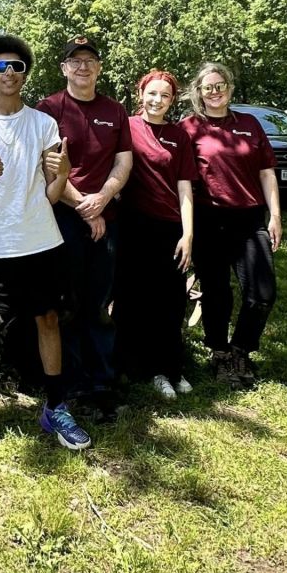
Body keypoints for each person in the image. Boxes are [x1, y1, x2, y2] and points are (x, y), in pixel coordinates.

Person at [0, 34, 91, 457]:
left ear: (25, 75)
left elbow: (51, 195)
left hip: (40, 240)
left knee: (48, 320)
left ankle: (55, 407)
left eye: (17, 67)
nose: (9, 73)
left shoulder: (43, 124)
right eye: (0, 67)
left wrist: (64, 172)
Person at [37, 36, 132, 419]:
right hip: (62, 218)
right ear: (64, 68)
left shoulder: (115, 110)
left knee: (99, 303)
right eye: (74, 61)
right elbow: (48, 166)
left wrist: (103, 199)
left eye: (90, 60)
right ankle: (70, 383)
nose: (82, 67)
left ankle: (102, 382)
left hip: (105, 220)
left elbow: (123, 163)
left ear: (99, 67)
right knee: (68, 304)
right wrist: (84, 207)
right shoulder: (48, 109)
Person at [181, 62, 281, 387]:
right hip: (209, 220)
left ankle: (241, 349)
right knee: (217, 294)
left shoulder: (250, 124)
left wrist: (275, 215)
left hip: (250, 219)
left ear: (230, 88)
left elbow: (266, 171)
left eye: (220, 84)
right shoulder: (189, 128)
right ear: (199, 93)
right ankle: (220, 354)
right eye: (208, 87)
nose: (215, 91)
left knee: (263, 292)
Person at [113, 69, 196, 399]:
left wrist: (188, 234)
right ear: (141, 94)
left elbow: (185, 186)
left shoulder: (179, 136)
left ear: (172, 100)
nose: (157, 100)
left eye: (165, 95)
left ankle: (172, 366)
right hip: (133, 225)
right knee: (135, 299)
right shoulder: (127, 127)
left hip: (170, 228)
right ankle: (143, 369)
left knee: (172, 301)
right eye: (152, 93)